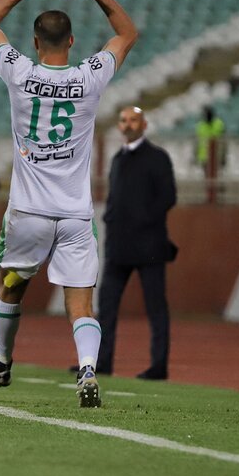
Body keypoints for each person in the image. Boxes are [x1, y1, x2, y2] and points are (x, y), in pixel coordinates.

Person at [0, 0, 138, 408]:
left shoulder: (19, 72)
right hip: (74, 213)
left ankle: (3, 361)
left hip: (27, 211)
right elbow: (127, 34)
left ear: (34, 40)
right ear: (71, 41)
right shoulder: (89, 78)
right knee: (81, 303)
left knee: (12, 285)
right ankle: (87, 370)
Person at [97, 106, 176, 380]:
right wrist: (110, 219)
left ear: (144, 124)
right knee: (106, 306)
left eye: (133, 120)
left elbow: (168, 197)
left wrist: (143, 220)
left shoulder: (157, 157)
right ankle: (102, 361)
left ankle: (159, 366)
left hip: (149, 247)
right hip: (118, 247)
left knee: (156, 308)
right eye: (123, 120)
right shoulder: (118, 158)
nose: (128, 124)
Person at [195, 105, 226, 176]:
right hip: (204, 157)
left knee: (217, 177)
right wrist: (195, 156)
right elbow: (197, 142)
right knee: (206, 177)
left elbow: (224, 142)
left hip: (217, 156)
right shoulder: (200, 125)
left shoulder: (219, 124)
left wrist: (223, 157)